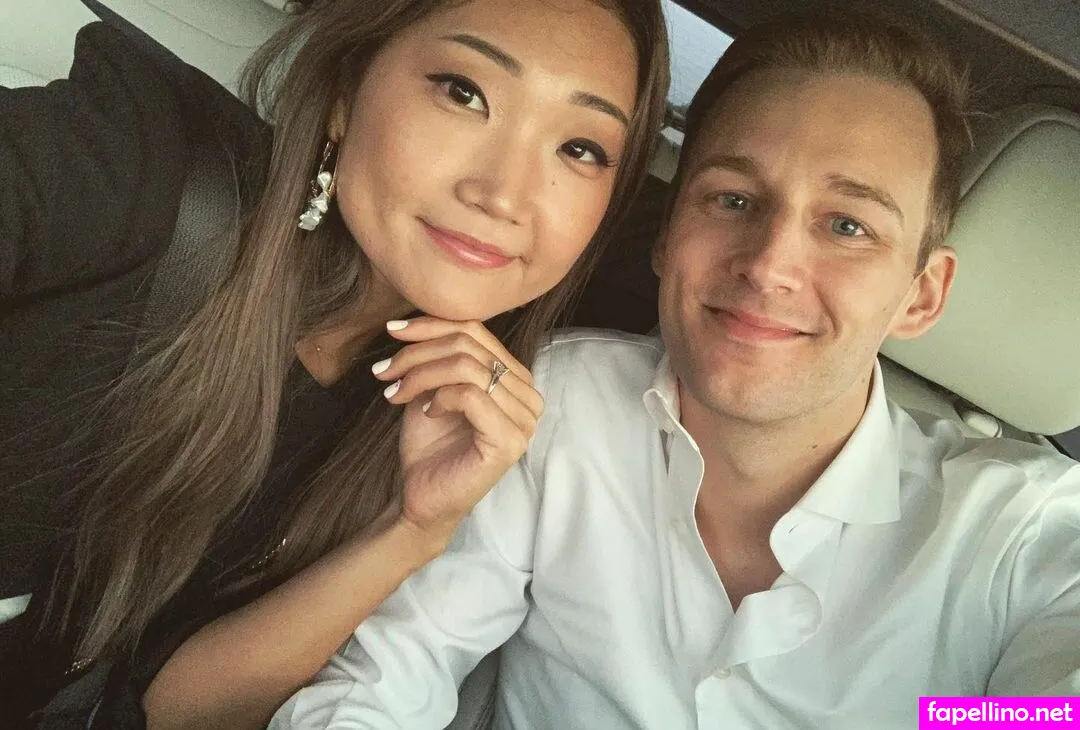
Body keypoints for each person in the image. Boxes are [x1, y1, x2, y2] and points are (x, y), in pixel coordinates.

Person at [269, 11, 1080, 730]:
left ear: (921, 294)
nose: (769, 265)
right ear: (666, 236)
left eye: (847, 226)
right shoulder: (551, 406)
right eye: (732, 200)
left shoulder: (1021, 538)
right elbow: (386, 682)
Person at [0, 0, 670, 727]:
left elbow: (169, 712)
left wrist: (414, 531)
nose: (504, 194)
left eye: (580, 149)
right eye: (464, 92)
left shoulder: (432, 426)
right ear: (347, 94)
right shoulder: (134, 162)